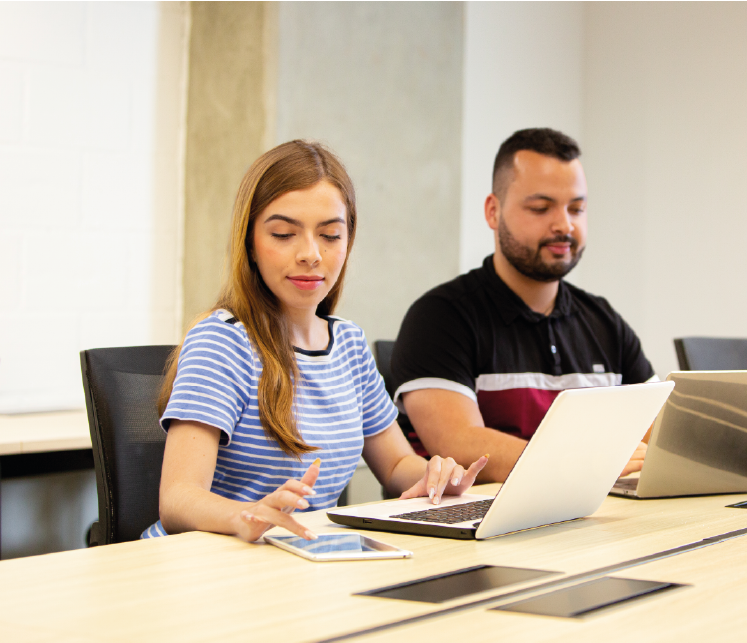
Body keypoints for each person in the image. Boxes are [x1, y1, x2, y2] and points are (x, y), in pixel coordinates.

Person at [144, 140, 486, 542]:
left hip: (298, 559)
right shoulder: (223, 342)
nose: (311, 254)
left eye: (330, 235)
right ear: (251, 243)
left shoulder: (348, 344)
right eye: (284, 234)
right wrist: (248, 515)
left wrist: (435, 477)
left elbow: (395, 467)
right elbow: (179, 498)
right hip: (210, 564)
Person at [390, 128, 655, 483]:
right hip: (476, 531)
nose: (565, 225)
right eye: (541, 208)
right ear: (492, 211)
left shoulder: (604, 322)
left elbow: (662, 434)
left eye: (577, 209)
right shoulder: (439, 317)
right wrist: (583, 461)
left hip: (584, 522)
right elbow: (459, 445)